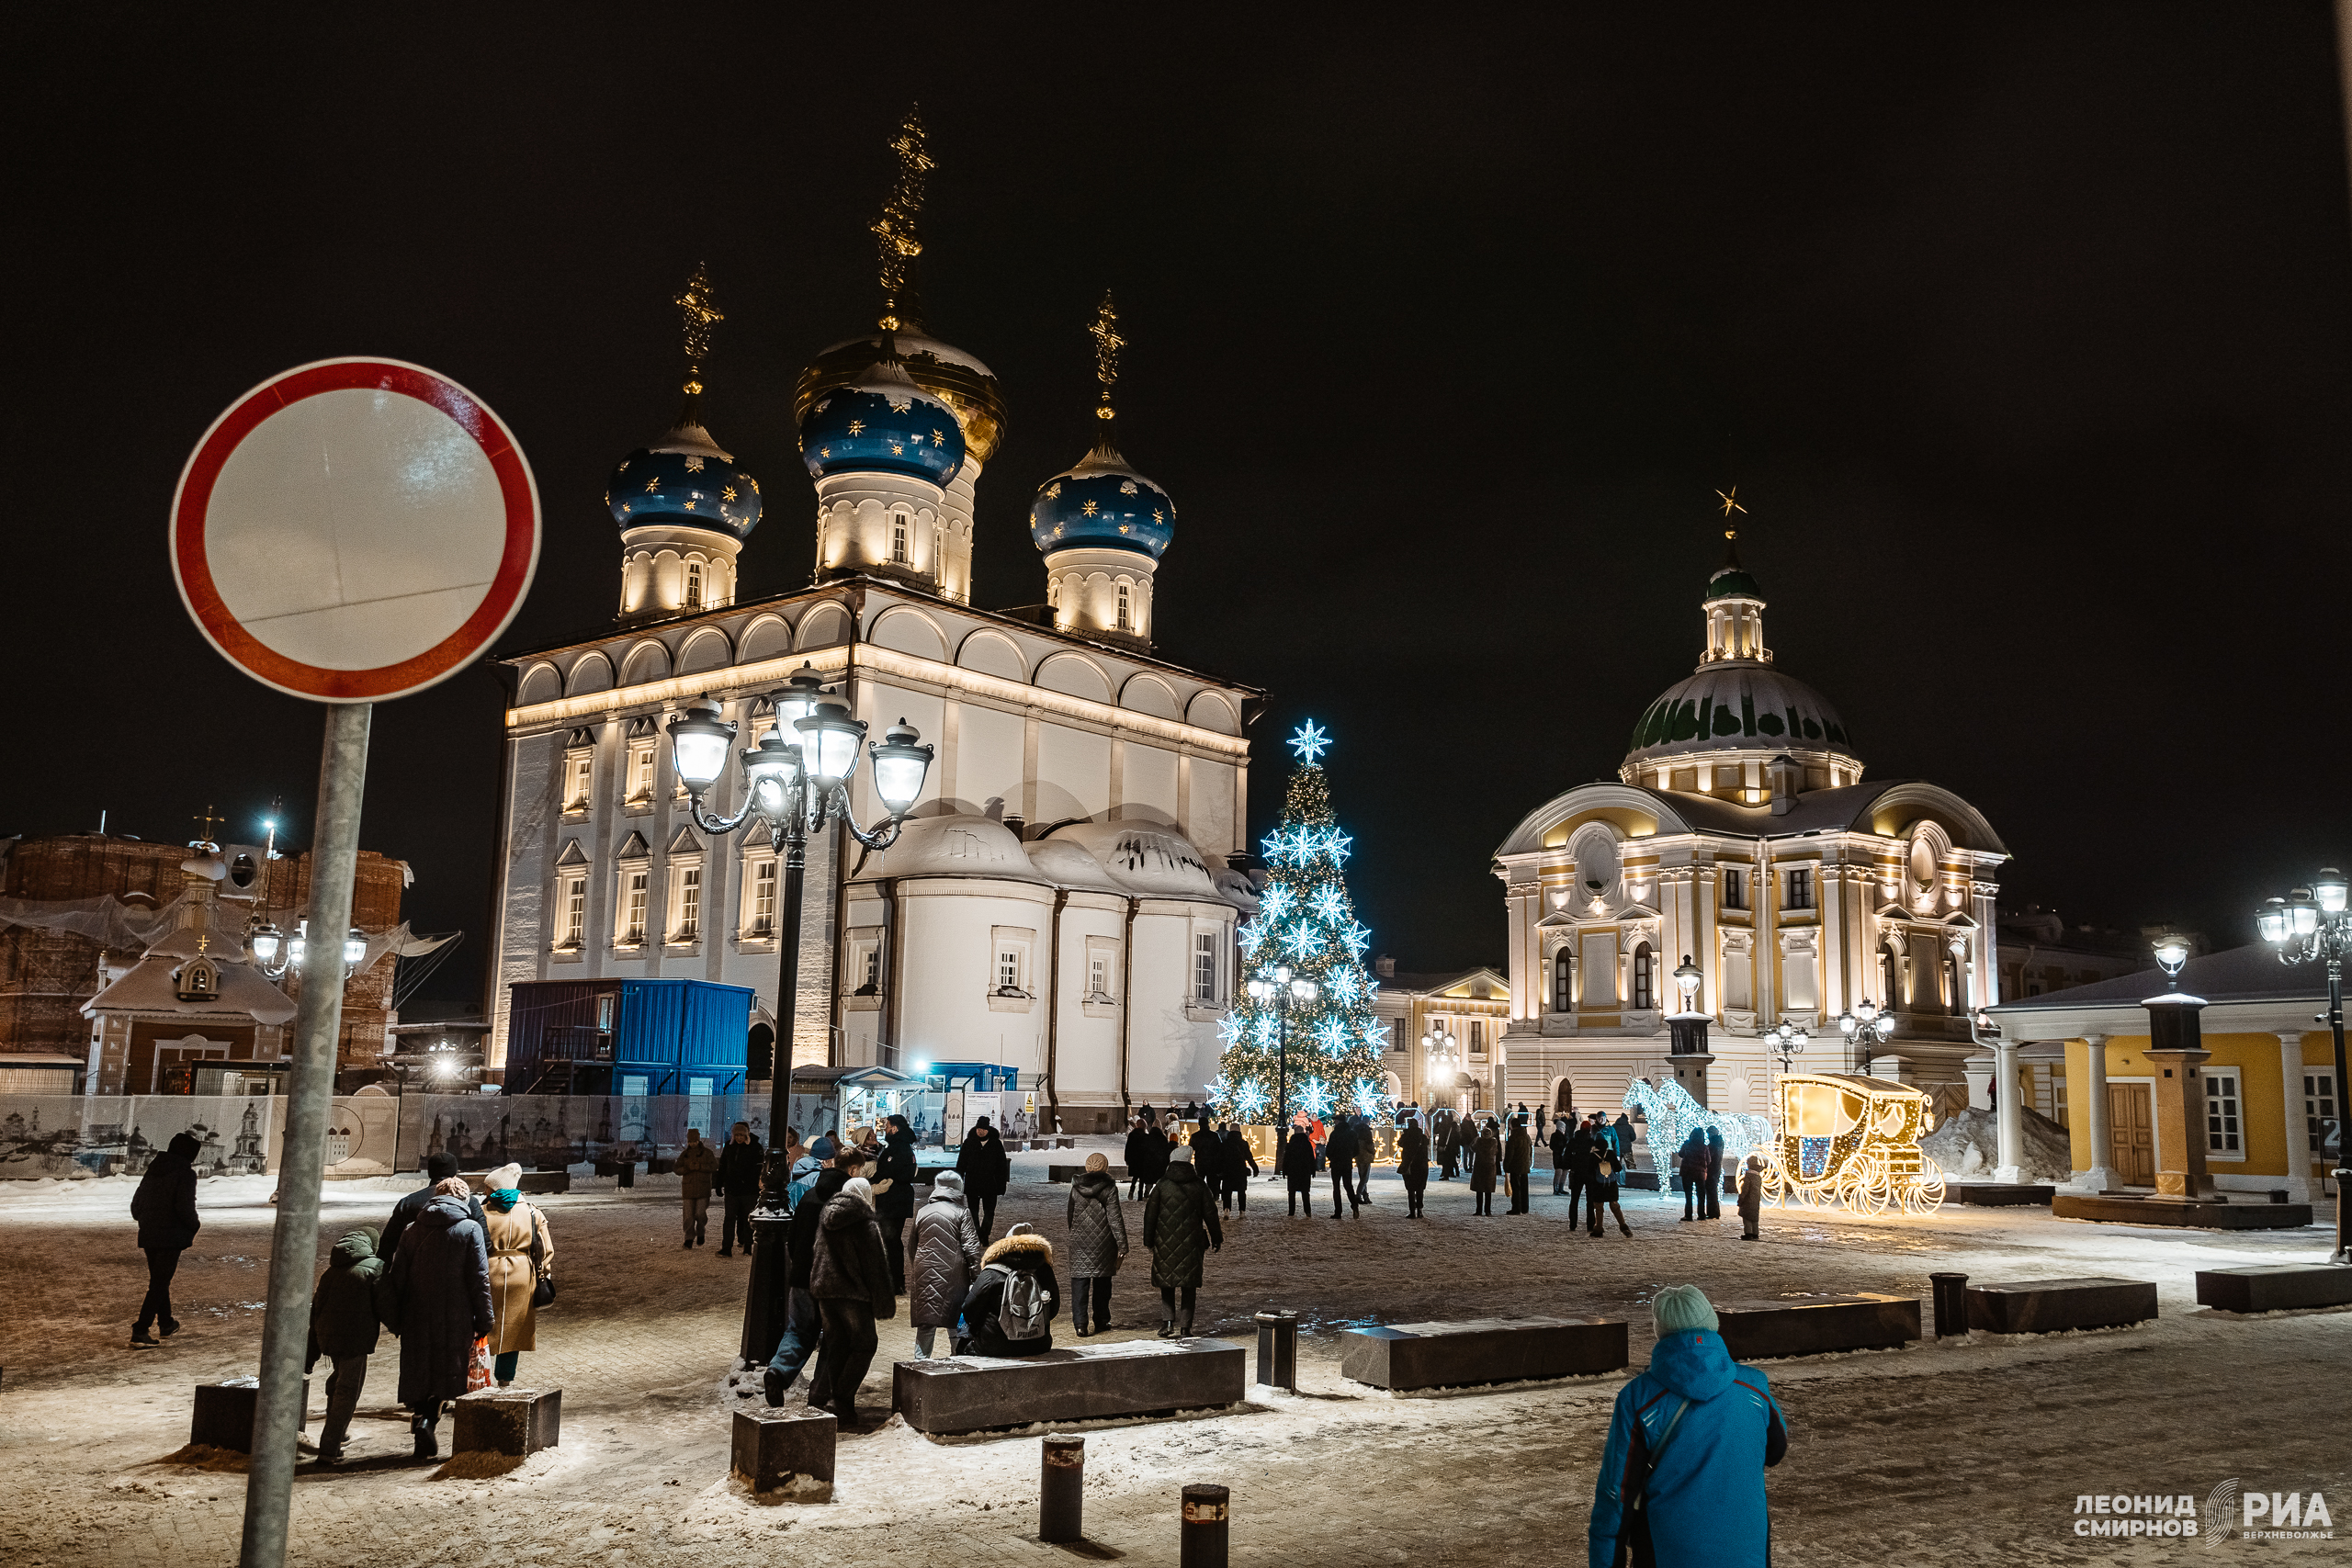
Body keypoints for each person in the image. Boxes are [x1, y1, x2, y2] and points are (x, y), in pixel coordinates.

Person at [1589, 1285, 1787, 1568]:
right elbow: (1776, 1451)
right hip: (1746, 1551)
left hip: (1667, 1551)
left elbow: (1616, 1496)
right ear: (1711, 1323)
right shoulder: (1754, 1386)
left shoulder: (1639, 1397)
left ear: (1661, 1332)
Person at [381, 1176, 492, 1459]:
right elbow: (479, 1278)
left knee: (421, 1369)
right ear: (464, 1199)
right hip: (456, 1313)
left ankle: (421, 1420)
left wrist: (396, 1318)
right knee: (447, 1370)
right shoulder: (470, 1229)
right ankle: (431, 1420)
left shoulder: (411, 1229)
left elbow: (398, 1278)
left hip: (416, 1312)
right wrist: (485, 1319)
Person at [763, 1145, 855, 1405]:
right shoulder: (844, 1204)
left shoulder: (808, 1197)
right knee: (834, 1337)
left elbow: (792, 1239)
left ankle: (778, 1371)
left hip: (802, 1277)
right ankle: (819, 1393)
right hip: (830, 1283)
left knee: (798, 1330)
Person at [807, 1174, 896, 1430]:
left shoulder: (827, 1216)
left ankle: (839, 1403)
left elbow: (817, 1252)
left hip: (826, 1291)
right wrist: (883, 1302)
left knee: (837, 1345)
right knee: (866, 1344)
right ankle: (842, 1398)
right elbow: (875, 1266)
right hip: (853, 1294)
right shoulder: (865, 1222)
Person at [304, 1225, 383, 1463]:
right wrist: (401, 1326)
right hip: (356, 1339)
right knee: (348, 1391)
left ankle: (338, 1435)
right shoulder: (374, 1268)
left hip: (329, 1338)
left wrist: (311, 1353)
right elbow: (385, 1304)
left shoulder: (330, 1272)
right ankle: (329, 1447)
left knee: (337, 1384)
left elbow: (315, 1312)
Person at [478, 1162, 552, 1388]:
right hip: (522, 1273)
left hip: (489, 1271)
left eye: (487, 1187)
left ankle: (481, 1377)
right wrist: (542, 1274)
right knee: (513, 1329)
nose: (484, 1191)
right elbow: (546, 1250)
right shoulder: (532, 1212)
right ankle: (505, 1379)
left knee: (482, 1325)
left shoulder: (481, 1212)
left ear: (495, 1189)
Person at [130, 1131, 202, 1347]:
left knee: (159, 1281)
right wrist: (194, 1225)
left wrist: (147, 1220)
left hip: (150, 1234)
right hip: (172, 1236)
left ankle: (166, 1324)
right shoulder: (185, 1174)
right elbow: (184, 1207)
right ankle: (140, 1330)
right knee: (159, 1283)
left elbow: (136, 1206)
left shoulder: (153, 1171)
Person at [1141, 1143, 1222, 1337]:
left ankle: (1168, 1323)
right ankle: (1186, 1326)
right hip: (1192, 1241)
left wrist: (1148, 1240)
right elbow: (1211, 1214)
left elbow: (1150, 1215)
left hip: (1164, 1241)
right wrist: (1217, 1237)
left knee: (1167, 1282)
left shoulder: (1162, 1185)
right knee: (1189, 1285)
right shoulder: (1199, 1185)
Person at [910, 1168, 985, 1357]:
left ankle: (919, 1368)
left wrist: (920, 1267)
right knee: (956, 1323)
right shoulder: (962, 1212)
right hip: (954, 1276)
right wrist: (977, 1278)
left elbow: (912, 1246)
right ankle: (959, 1360)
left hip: (924, 1274)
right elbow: (972, 1249)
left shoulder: (922, 1212)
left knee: (926, 1324)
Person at [957, 1221, 1062, 1355]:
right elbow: (1053, 1308)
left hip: (995, 1344)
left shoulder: (992, 1273)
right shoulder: (1044, 1270)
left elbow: (969, 1308)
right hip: (1039, 1343)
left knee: (962, 1340)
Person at [379, 1151, 485, 1267]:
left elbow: (388, 1244)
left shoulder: (409, 1202)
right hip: (456, 1274)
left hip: (415, 1274)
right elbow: (484, 1242)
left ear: (430, 1172)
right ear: (454, 1172)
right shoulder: (471, 1202)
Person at [1065, 1151, 1127, 1336]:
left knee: (1079, 1286)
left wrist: (1075, 1233)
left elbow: (1070, 1215)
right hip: (1104, 1243)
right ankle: (1101, 1321)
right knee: (1102, 1285)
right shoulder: (1109, 1188)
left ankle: (1080, 1324)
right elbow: (1115, 1218)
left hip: (1079, 1243)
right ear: (1105, 1167)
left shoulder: (1075, 1188)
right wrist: (1122, 1244)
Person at [875, 1113, 918, 1294]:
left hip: (894, 1200)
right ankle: (895, 1280)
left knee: (891, 1240)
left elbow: (889, 1171)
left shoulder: (899, 1148)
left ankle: (895, 1281)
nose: (885, 1129)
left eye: (887, 1126)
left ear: (895, 1128)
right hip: (896, 1200)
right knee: (891, 1240)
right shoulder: (899, 1147)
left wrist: (876, 1178)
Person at [956, 1116, 1011, 1242]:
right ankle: (976, 1232)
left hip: (990, 1184)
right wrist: (959, 1181)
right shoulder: (969, 1143)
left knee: (989, 1211)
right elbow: (961, 1164)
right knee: (972, 1211)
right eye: (979, 1129)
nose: (980, 1131)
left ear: (988, 1130)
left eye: (983, 1129)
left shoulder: (996, 1144)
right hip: (972, 1183)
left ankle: (985, 1233)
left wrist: (1001, 1185)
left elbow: (1002, 1167)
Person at [717, 1121, 764, 1258]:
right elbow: (723, 1166)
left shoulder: (755, 1147)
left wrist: (747, 1181)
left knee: (747, 1219)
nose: (739, 1138)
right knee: (729, 1219)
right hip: (732, 1190)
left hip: (749, 1190)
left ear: (747, 1135)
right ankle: (726, 1248)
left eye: (741, 1135)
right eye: (736, 1135)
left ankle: (748, 1246)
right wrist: (719, 1184)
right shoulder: (729, 1146)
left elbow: (757, 1169)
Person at [675, 1127, 718, 1249]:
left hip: (702, 1188)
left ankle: (700, 1231)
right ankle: (689, 1238)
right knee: (688, 1216)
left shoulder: (707, 1153)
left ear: (699, 1140)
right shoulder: (685, 1154)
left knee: (700, 1213)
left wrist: (700, 1167)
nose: (692, 1144)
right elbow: (676, 1168)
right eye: (690, 1142)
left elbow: (714, 1166)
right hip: (688, 1189)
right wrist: (687, 1169)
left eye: (694, 1141)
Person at [1589, 1121, 1631, 1238]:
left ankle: (1598, 1228)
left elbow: (1590, 1171)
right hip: (1611, 1183)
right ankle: (1623, 1225)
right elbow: (1617, 1168)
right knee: (1615, 1205)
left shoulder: (1593, 1156)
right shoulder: (1611, 1154)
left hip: (1598, 1184)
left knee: (1599, 1206)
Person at [1216, 1122, 1258, 1213]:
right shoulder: (1243, 1143)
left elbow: (1220, 1158)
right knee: (1241, 1191)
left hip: (1228, 1170)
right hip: (1240, 1169)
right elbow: (1249, 1157)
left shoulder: (1225, 1143)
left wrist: (1218, 1170)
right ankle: (1242, 1210)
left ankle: (1227, 1209)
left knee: (1227, 1191)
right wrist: (1255, 1168)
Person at [1280, 1122, 1317, 1216]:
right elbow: (1311, 1158)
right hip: (1305, 1170)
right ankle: (1307, 1211)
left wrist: (1285, 1170)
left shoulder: (1291, 1144)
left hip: (1293, 1170)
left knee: (1292, 1192)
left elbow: (1286, 1158)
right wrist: (1313, 1170)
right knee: (1305, 1192)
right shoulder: (1307, 1144)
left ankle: (1291, 1211)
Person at [1566, 1117, 1597, 1229]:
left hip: (1577, 1173)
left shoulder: (1573, 1142)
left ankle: (1573, 1224)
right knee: (1590, 1201)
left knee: (1574, 1200)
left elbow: (1567, 1158)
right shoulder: (1592, 1143)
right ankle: (1590, 1224)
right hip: (1590, 1174)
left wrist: (1570, 1166)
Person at [1397, 1114, 1430, 1217]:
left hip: (1410, 1165)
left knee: (1411, 1189)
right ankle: (1420, 1210)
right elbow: (1427, 1145)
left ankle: (1412, 1212)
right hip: (1422, 1165)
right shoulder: (1423, 1137)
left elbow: (1400, 1143)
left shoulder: (1406, 1136)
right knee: (1420, 1188)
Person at [1329, 1113, 1360, 1217]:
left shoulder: (1334, 1134)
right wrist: (1349, 1156)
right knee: (1348, 1186)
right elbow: (1356, 1150)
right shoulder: (1352, 1133)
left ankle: (1338, 1211)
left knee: (1336, 1187)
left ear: (1338, 1121)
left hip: (1336, 1163)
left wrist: (1331, 1157)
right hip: (1347, 1162)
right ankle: (1354, 1205)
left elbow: (1329, 1150)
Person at [1470, 1119, 1501, 1216]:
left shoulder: (1479, 1141)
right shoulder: (1493, 1142)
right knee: (1488, 1190)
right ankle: (1488, 1210)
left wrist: (1476, 1139)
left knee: (1479, 1190)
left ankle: (1479, 1210)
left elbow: (1472, 1148)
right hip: (1490, 1167)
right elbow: (1496, 1151)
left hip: (1479, 1166)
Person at [1505, 1114, 1533, 1214]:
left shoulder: (1513, 1138)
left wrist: (1506, 1166)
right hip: (1525, 1166)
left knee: (1516, 1188)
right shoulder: (1526, 1136)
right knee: (1524, 1188)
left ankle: (1516, 1208)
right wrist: (1529, 1162)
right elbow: (1530, 1150)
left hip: (1515, 1166)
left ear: (1512, 1126)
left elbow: (1509, 1154)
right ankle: (1525, 1208)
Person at [1679, 1130, 1710, 1222]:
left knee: (1688, 1195)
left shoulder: (1687, 1145)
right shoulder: (1704, 1147)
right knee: (1701, 1195)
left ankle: (1688, 1215)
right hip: (1700, 1174)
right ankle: (1701, 1214)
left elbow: (1681, 1154)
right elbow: (1708, 1160)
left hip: (1687, 1172)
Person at [1124, 1117, 1152, 1201]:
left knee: (1135, 1176)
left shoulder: (1132, 1135)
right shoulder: (1146, 1136)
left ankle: (1131, 1191)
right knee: (1142, 1178)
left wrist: (1127, 1158)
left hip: (1134, 1159)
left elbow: (1128, 1147)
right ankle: (1140, 1195)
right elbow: (1148, 1149)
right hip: (1143, 1159)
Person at [1738, 1153, 1765, 1240]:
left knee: (1747, 1217)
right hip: (1756, 1199)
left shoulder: (1748, 1176)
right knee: (1754, 1217)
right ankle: (1755, 1233)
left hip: (1748, 1200)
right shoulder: (1758, 1176)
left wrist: (1741, 1199)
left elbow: (1745, 1189)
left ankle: (1748, 1233)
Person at [1351, 1112, 1376, 1203]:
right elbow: (1369, 1145)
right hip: (1366, 1156)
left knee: (1362, 1176)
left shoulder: (1356, 1131)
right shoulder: (1367, 1132)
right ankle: (1358, 1195)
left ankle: (1365, 1197)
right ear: (1368, 1122)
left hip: (1358, 1156)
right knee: (1364, 1178)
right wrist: (1374, 1151)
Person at [1703, 1126, 1726, 1221]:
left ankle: (1713, 1213)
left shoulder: (1713, 1144)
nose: (1708, 1136)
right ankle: (1714, 1212)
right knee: (1713, 1192)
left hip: (1712, 1170)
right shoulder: (1719, 1142)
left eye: (1708, 1134)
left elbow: (1709, 1157)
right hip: (1716, 1169)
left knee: (1711, 1192)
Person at [1549, 1114, 1573, 1197]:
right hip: (1558, 1156)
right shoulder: (1555, 1135)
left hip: (1564, 1157)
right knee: (1559, 1172)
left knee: (1564, 1172)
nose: (1563, 1129)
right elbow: (1552, 1146)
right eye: (1562, 1127)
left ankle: (1561, 1188)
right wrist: (1560, 1148)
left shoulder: (1565, 1135)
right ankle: (1556, 1189)